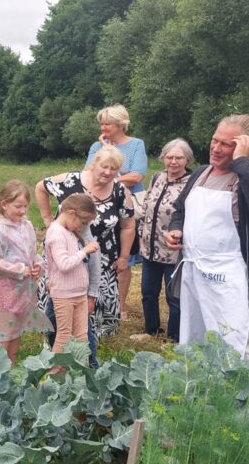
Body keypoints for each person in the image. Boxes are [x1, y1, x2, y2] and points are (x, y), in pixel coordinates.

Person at [165, 114, 249, 356]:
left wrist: (242, 163)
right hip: (194, 269)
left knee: (233, 337)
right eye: (215, 140)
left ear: (244, 147)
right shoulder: (200, 174)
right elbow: (180, 209)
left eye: (227, 144)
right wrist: (176, 229)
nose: (216, 148)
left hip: (228, 273)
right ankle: (199, 385)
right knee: (194, 334)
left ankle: (240, 387)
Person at [37, 145, 135, 338]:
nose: (108, 172)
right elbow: (41, 187)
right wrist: (47, 219)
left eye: (113, 169)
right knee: (61, 295)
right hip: (63, 251)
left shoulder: (120, 191)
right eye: (104, 166)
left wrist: (124, 257)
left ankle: (91, 339)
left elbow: (128, 226)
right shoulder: (70, 180)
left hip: (103, 256)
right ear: (94, 164)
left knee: (92, 300)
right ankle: (56, 334)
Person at [85, 105, 147, 318]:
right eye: (101, 123)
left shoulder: (136, 145)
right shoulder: (97, 146)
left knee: (123, 258)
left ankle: (118, 305)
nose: (103, 127)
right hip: (99, 206)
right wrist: (104, 148)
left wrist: (108, 178)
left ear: (121, 125)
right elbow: (88, 172)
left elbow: (137, 176)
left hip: (126, 207)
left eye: (107, 123)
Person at [0, 180, 49, 363]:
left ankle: (12, 366)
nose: (23, 211)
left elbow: (31, 252)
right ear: (4, 204)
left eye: (25, 206)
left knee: (15, 328)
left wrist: (37, 265)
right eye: (18, 206)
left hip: (21, 290)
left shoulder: (25, 226)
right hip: (2, 291)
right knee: (2, 331)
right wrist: (20, 269)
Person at [136, 138, 194, 341]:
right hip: (149, 249)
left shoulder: (192, 183)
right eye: (169, 157)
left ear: (187, 159)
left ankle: (175, 336)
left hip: (174, 251)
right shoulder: (157, 177)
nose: (173, 162)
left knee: (174, 297)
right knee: (148, 293)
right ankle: (151, 330)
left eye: (179, 157)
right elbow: (146, 207)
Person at [44, 194, 100, 355]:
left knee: (81, 337)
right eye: (82, 223)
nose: (82, 227)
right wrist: (85, 250)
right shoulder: (56, 233)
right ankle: (54, 376)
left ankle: (78, 374)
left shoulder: (70, 231)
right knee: (64, 336)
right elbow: (64, 264)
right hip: (64, 294)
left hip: (80, 292)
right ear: (71, 213)